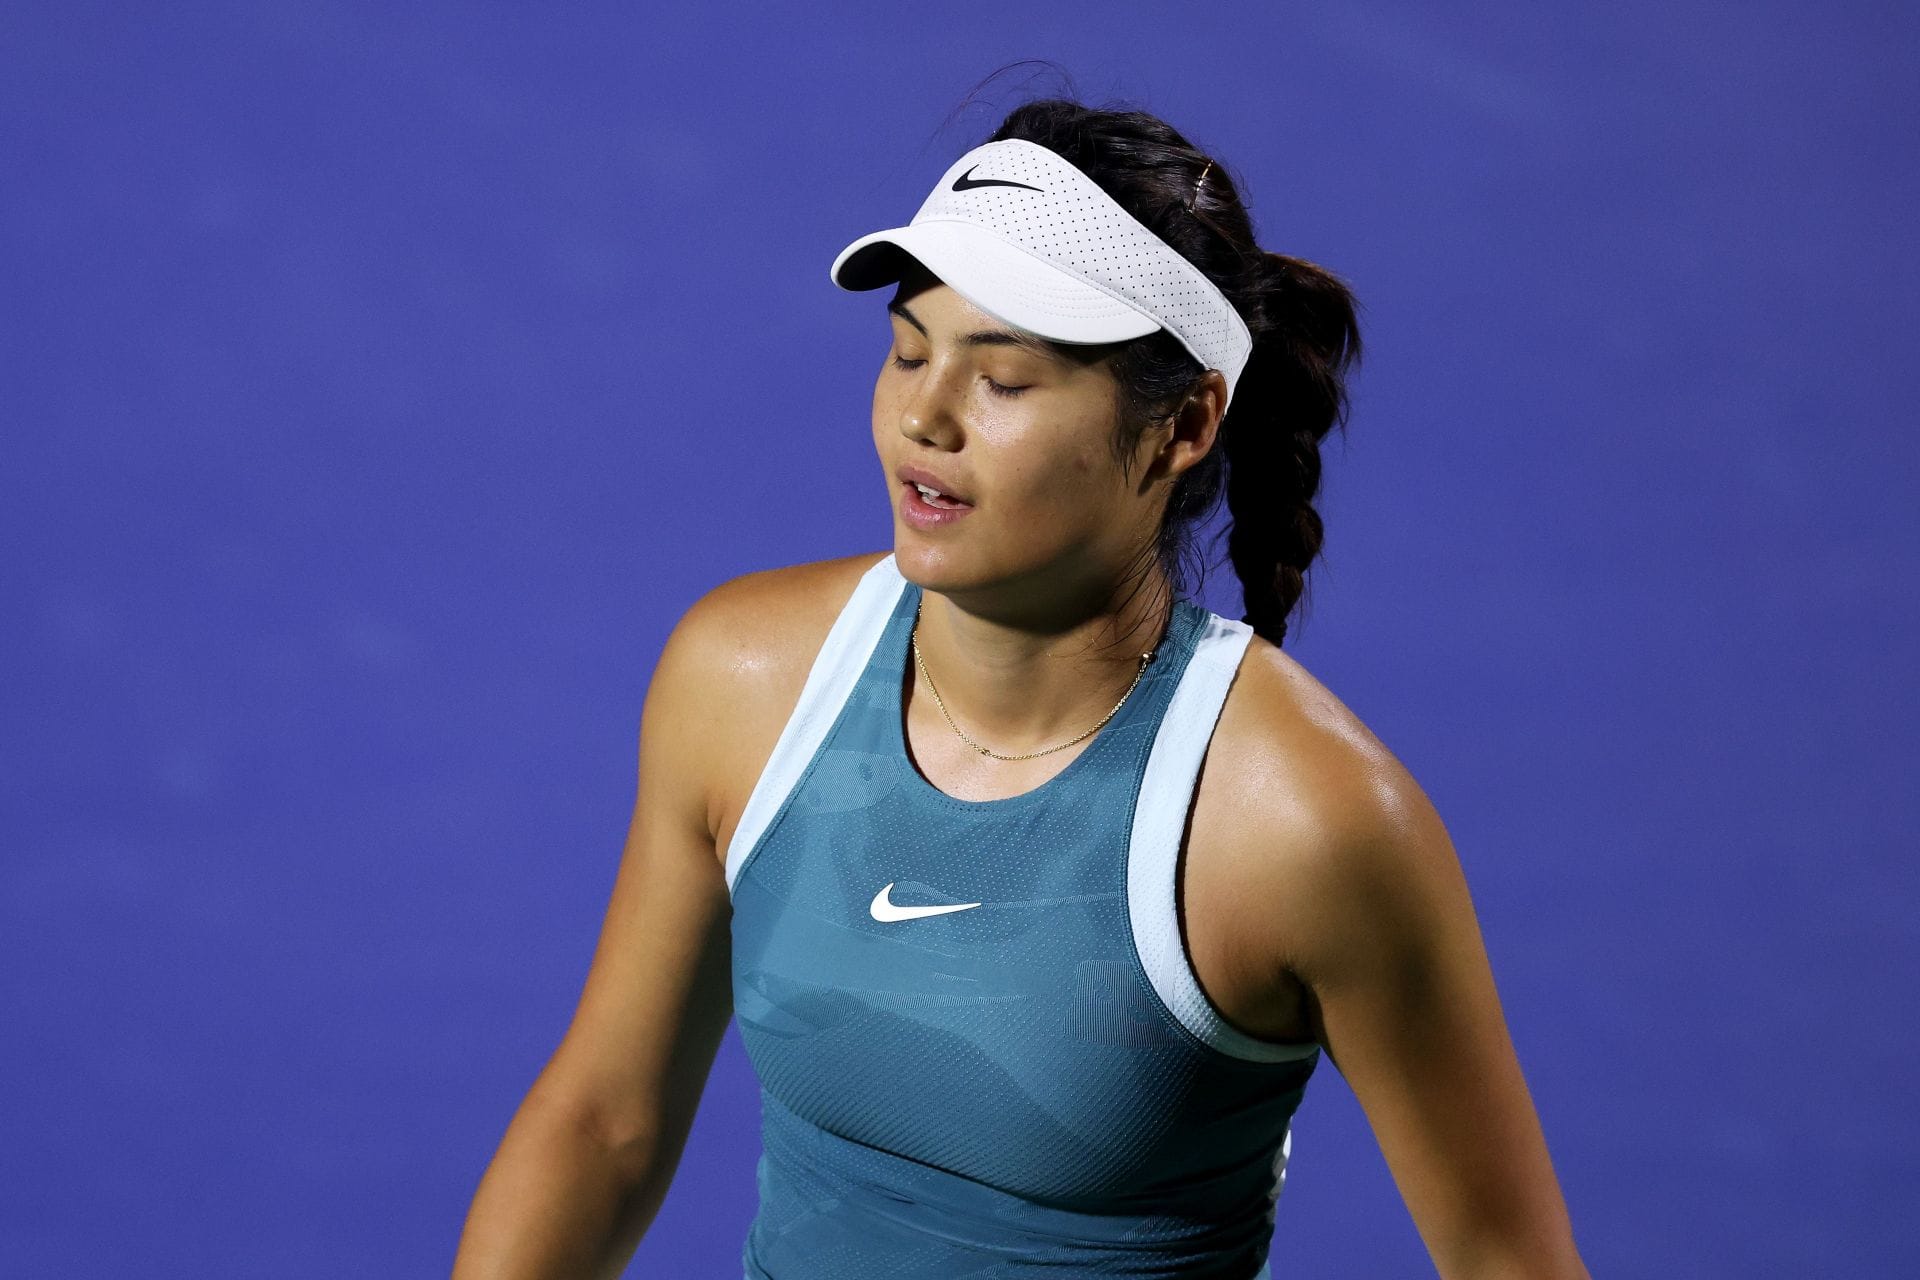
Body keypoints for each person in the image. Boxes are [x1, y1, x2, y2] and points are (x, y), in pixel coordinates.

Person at [451, 96, 1590, 1280]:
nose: (923, 415)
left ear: (1184, 423)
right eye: (908, 350)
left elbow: (1513, 1261)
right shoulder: (740, 681)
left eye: (1003, 379)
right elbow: (606, 1120)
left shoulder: (1301, 826)